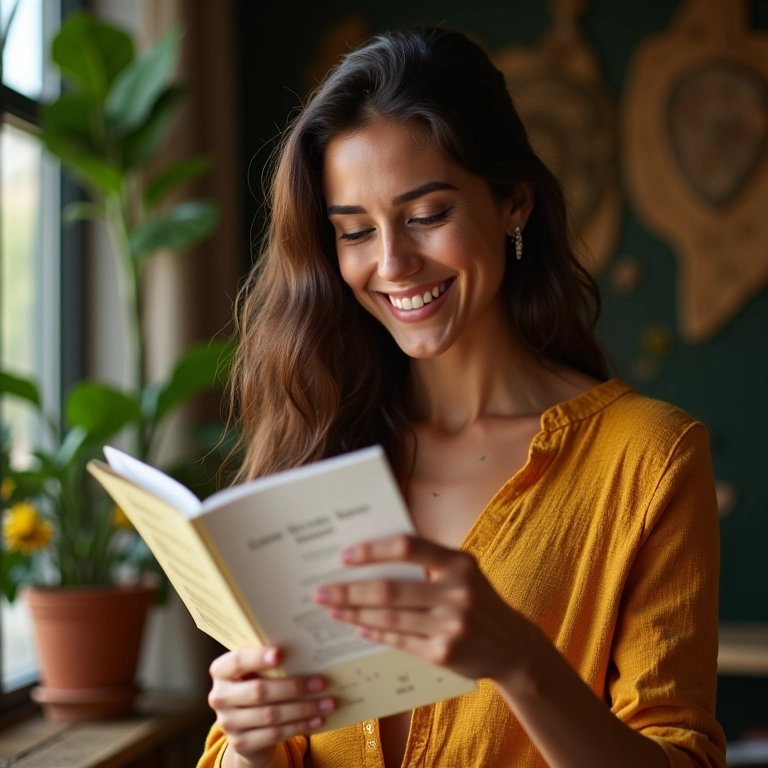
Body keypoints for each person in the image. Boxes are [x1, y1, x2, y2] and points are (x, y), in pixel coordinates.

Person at [198, 27, 726, 768]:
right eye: (354, 231)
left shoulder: (649, 459)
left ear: (513, 203)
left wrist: (519, 659)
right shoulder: (312, 446)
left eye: (427, 216)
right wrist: (249, 746)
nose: (392, 264)